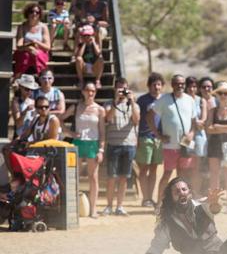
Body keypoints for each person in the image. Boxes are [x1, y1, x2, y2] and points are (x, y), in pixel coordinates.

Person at [149, 74, 196, 202]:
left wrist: (191, 133)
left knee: (183, 175)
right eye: (177, 83)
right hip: (170, 145)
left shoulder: (190, 100)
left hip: (185, 144)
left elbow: (194, 121)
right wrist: (158, 135)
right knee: (167, 174)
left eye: (182, 83)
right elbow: (150, 115)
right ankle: (160, 203)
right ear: (172, 85)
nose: (179, 86)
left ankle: (182, 202)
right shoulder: (165, 100)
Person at [62, 82, 105, 218]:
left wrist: (101, 150)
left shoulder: (99, 109)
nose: (90, 93)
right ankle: (73, 207)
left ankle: (93, 209)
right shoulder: (76, 107)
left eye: (93, 91)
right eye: (87, 90)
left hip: (93, 143)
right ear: (83, 91)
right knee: (75, 176)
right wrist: (70, 133)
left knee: (93, 177)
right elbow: (59, 119)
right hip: (79, 142)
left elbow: (102, 132)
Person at [102, 78, 140, 216]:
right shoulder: (108, 104)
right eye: (119, 89)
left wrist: (132, 101)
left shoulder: (133, 105)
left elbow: (136, 120)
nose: (122, 91)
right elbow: (108, 118)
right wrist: (116, 101)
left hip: (129, 145)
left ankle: (120, 206)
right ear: (115, 89)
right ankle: (109, 206)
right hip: (113, 144)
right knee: (111, 177)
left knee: (124, 178)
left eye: (124, 89)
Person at [205, 82, 227, 214]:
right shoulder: (212, 111)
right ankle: (214, 202)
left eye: (226, 93)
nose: (223, 95)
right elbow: (208, 129)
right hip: (215, 144)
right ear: (217, 95)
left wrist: (217, 127)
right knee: (214, 174)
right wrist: (224, 128)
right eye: (221, 93)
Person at [136, 72, 165, 209]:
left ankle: (151, 197)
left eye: (159, 84)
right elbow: (136, 119)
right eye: (154, 84)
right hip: (144, 136)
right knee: (143, 169)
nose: (156, 87)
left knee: (154, 169)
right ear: (149, 86)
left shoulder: (165, 100)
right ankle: (145, 197)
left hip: (159, 139)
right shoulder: (142, 100)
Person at [13, 3, 50, 78]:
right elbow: (19, 46)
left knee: (37, 54)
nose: (34, 14)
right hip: (24, 50)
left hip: (40, 51)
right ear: (27, 13)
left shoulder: (43, 27)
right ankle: (18, 77)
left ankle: (40, 76)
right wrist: (29, 47)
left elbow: (47, 47)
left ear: (40, 14)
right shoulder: (22, 27)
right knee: (26, 55)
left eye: (37, 12)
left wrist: (37, 42)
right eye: (32, 11)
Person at [186, 76, 208, 194]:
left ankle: (196, 192)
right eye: (189, 86)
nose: (192, 89)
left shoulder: (201, 100)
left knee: (197, 166)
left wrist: (197, 122)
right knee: (186, 164)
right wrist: (196, 122)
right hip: (186, 135)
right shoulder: (183, 99)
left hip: (199, 136)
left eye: (194, 86)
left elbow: (203, 118)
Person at [74, 24, 104, 89]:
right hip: (84, 66)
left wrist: (93, 42)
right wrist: (84, 43)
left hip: (94, 66)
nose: (87, 37)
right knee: (78, 59)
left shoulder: (95, 44)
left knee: (101, 58)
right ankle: (81, 81)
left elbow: (98, 53)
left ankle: (98, 80)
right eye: (85, 35)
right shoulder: (80, 45)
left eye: (88, 35)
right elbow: (79, 55)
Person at [11, 74, 38, 139]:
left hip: (32, 135)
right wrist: (25, 111)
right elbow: (18, 124)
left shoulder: (34, 101)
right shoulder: (16, 101)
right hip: (20, 135)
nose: (29, 92)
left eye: (31, 89)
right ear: (20, 87)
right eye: (27, 89)